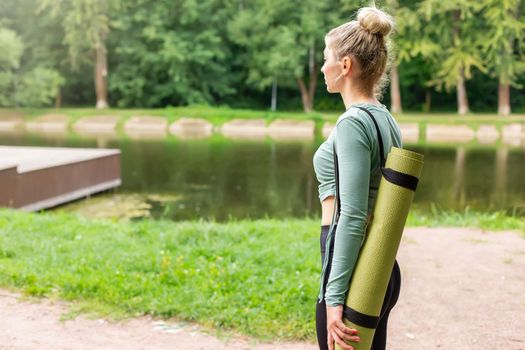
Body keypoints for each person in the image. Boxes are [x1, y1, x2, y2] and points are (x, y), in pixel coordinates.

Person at [313, 6, 402, 350]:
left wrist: (334, 299)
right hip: (381, 266)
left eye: (326, 58)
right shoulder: (385, 118)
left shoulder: (352, 124)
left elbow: (351, 215)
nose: (322, 67)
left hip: (352, 271)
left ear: (345, 65)